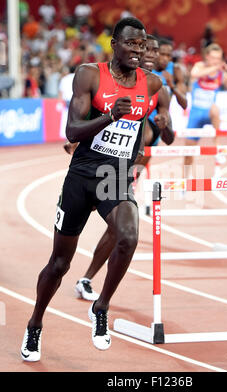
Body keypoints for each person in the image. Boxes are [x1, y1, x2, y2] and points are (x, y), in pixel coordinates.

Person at [21, 17, 162, 361]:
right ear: (114, 44)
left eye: (142, 45)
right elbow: (71, 131)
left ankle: (101, 306)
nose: (137, 50)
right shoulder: (90, 75)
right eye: (130, 43)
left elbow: (145, 118)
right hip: (82, 175)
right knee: (59, 264)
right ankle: (35, 324)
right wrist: (110, 117)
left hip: (114, 176)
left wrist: (148, 142)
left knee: (128, 235)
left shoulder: (152, 83)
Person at [71, 34, 174, 301]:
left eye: (154, 51)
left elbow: (170, 138)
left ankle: (86, 279)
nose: (150, 55)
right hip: (101, 164)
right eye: (146, 50)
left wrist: (165, 123)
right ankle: (77, 270)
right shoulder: (120, 83)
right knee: (95, 219)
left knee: (118, 229)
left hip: (131, 169)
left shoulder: (157, 87)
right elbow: (92, 116)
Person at [184, 43, 227, 178]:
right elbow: (194, 74)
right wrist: (216, 67)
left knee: (215, 109)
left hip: (209, 113)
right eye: (213, 58)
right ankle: (185, 179)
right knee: (188, 152)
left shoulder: (222, 75)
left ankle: (217, 147)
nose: (216, 61)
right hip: (195, 114)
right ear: (207, 57)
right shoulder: (200, 66)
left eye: (218, 58)